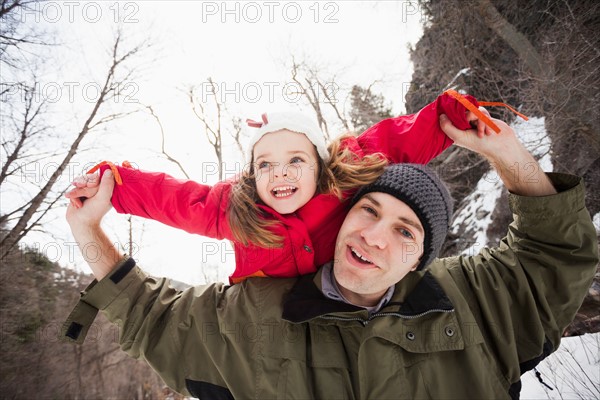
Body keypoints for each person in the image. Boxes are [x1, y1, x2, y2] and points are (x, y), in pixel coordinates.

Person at [62, 112, 598, 399]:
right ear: (343, 214)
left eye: (406, 231)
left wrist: (503, 151)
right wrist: (96, 218)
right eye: (369, 212)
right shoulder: (249, 319)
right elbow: (148, 313)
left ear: (422, 259)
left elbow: (555, 252)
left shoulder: (474, 302)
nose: (376, 237)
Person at [65, 91, 497, 283]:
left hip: (334, 298)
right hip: (264, 313)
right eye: (266, 165)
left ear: (319, 164)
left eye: (295, 161)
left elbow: (395, 141)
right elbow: (178, 200)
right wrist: (117, 185)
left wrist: (448, 117)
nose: (281, 173)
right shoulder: (236, 210)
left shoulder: (343, 181)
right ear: (253, 176)